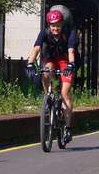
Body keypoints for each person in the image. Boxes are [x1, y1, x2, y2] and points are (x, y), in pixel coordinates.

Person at [26, 9, 77, 144]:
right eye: (53, 25)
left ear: (62, 24)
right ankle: (47, 97)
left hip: (65, 61)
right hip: (50, 59)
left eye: (58, 25)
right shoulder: (44, 33)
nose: (55, 28)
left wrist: (71, 65)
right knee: (46, 71)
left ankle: (67, 129)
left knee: (65, 93)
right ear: (49, 25)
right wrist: (30, 63)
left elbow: (71, 51)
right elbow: (36, 48)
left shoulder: (69, 33)